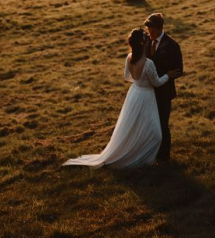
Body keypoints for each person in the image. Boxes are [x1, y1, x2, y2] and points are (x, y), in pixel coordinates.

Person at [63, 28, 181, 169]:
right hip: (146, 95)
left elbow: (127, 77)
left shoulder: (129, 57)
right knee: (156, 133)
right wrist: (168, 75)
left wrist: (139, 81)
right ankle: (143, 158)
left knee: (134, 125)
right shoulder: (148, 63)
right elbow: (157, 82)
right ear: (144, 44)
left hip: (134, 93)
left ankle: (139, 151)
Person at [144, 12, 183, 163]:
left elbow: (178, 70)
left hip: (164, 92)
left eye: (152, 31)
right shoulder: (146, 41)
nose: (150, 34)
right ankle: (151, 151)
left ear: (160, 28)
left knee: (162, 124)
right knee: (149, 124)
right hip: (147, 92)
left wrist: (165, 76)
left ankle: (164, 155)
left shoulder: (172, 45)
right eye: (148, 31)